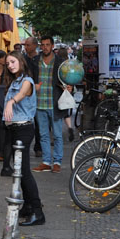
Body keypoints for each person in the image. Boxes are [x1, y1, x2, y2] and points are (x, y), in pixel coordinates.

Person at [4, 50, 44, 226]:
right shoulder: (14, 81)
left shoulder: (27, 81)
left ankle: (37, 211)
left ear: (21, 61)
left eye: (13, 61)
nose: (10, 65)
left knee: (24, 172)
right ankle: (28, 207)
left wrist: (11, 102)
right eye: (8, 63)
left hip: (23, 129)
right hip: (14, 129)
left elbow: (21, 95)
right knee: (19, 172)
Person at [33, 36, 71, 174]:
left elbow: (68, 79)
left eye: (47, 44)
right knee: (43, 135)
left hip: (54, 103)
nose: (45, 47)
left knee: (57, 135)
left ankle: (57, 162)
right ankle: (46, 161)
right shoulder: (35, 61)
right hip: (39, 104)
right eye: (42, 45)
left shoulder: (60, 62)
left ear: (52, 45)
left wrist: (69, 86)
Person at [23, 37, 41, 157]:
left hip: (38, 93)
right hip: (25, 93)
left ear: (34, 45)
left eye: (28, 45)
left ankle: (38, 147)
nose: (26, 47)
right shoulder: (23, 59)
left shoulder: (39, 59)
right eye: (25, 45)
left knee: (39, 122)